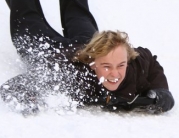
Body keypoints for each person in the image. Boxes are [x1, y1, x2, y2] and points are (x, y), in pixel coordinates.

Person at [0, 0, 174, 115]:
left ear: (128, 59)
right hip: (52, 52)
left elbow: (150, 61)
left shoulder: (133, 66)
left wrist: (161, 90)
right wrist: (27, 99)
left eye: (120, 65)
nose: (114, 74)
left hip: (87, 43)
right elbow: (13, 86)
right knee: (27, 14)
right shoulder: (70, 75)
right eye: (106, 67)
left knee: (78, 15)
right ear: (92, 64)